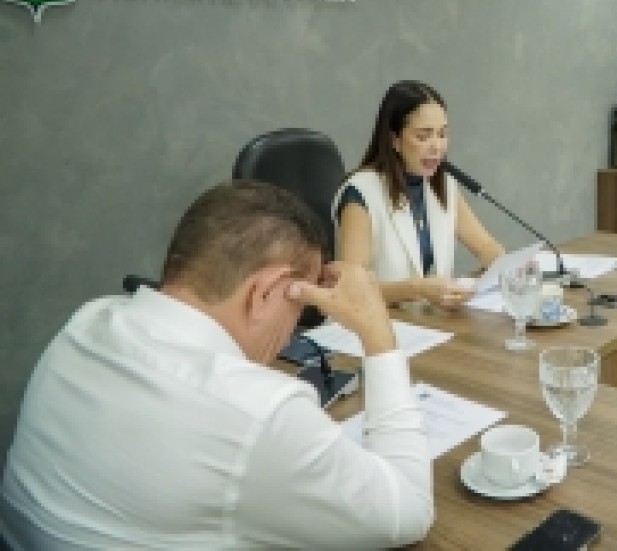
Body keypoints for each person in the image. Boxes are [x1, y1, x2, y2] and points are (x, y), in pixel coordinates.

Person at [1, 181, 433, 550]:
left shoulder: (88, 321)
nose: (292, 332)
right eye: (299, 309)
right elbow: (409, 510)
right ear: (266, 291)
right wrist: (378, 334)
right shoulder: (256, 414)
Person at [334, 80, 505, 308]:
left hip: (422, 320)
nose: (437, 147)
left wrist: (508, 266)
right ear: (394, 140)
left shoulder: (443, 183)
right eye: (424, 137)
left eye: (442, 134)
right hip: (369, 321)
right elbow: (353, 288)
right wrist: (418, 289)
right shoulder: (360, 193)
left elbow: (484, 246)